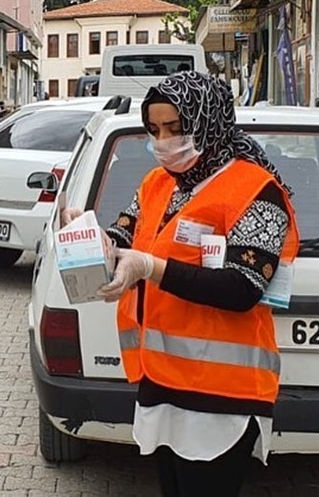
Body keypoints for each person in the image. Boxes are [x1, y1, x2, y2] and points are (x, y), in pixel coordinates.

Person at [65, 72, 299, 496]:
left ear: (207, 121)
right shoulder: (158, 183)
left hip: (222, 396)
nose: (163, 141)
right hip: (163, 381)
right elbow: (124, 232)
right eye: (154, 130)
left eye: (175, 129)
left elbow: (242, 288)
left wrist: (150, 268)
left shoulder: (258, 191)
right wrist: (90, 238)